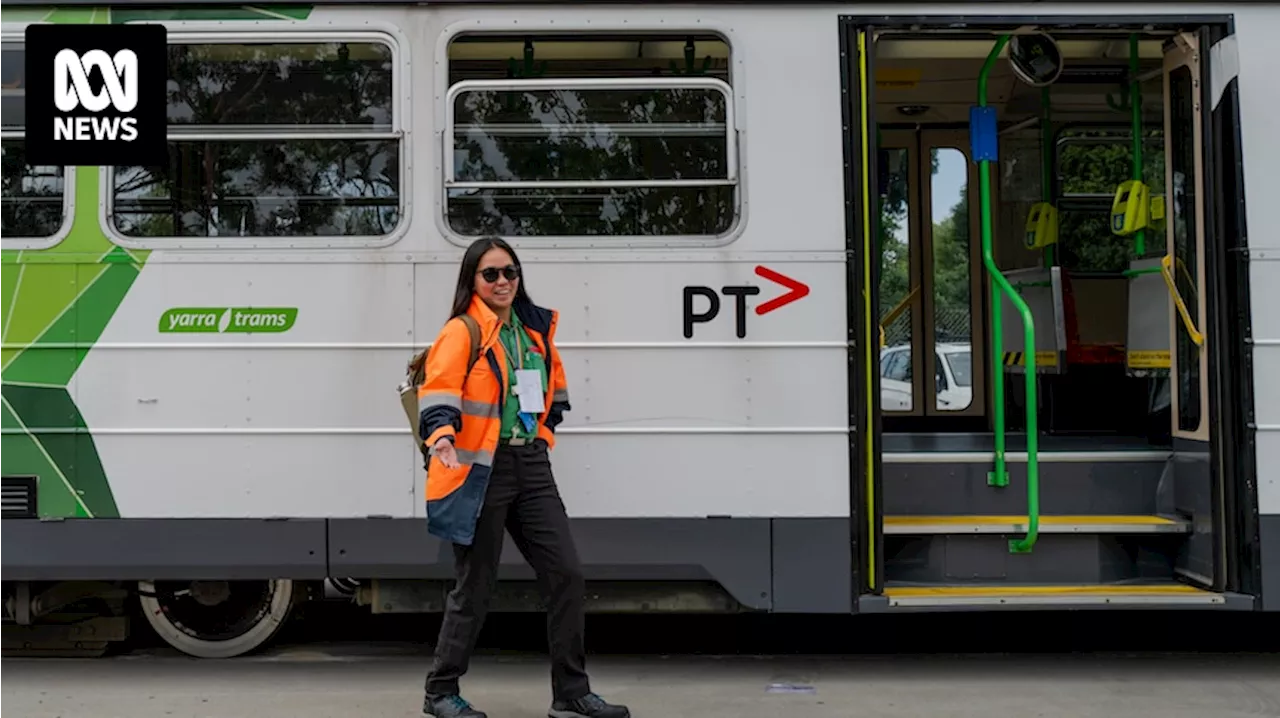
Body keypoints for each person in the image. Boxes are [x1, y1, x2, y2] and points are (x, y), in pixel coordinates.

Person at [416, 236, 631, 718]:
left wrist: (543, 437)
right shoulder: (463, 330)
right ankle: (440, 692)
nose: (502, 282)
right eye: (490, 273)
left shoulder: (533, 331)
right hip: (480, 470)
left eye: (509, 272)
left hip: (531, 465)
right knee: (475, 586)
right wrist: (442, 437)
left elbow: (555, 393)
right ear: (472, 280)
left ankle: (571, 693)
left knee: (567, 575)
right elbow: (439, 389)